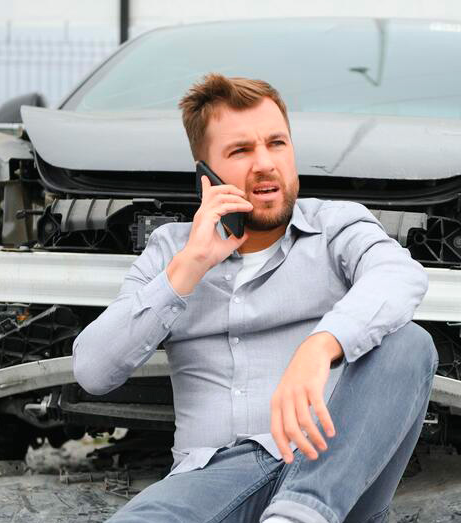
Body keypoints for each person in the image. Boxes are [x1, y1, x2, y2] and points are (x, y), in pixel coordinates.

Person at [72, 73, 437, 523]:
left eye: (277, 143)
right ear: (206, 176)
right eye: (241, 151)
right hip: (209, 482)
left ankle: (297, 514)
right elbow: (93, 370)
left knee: (408, 342)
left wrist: (320, 346)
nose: (265, 163)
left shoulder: (335, 227)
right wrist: (190, 267)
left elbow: (400, 276)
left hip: (330, 470)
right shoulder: (171, 251)